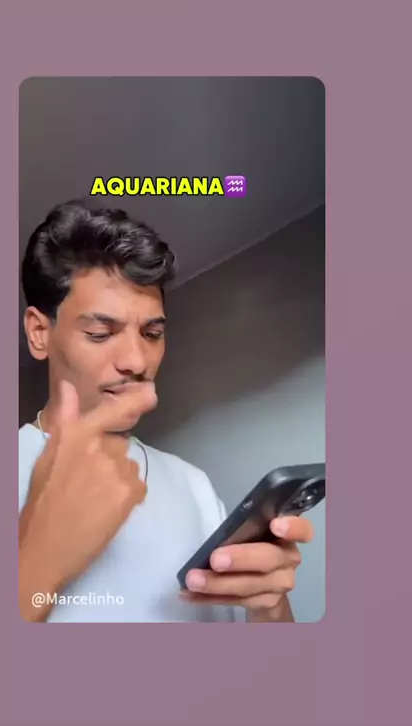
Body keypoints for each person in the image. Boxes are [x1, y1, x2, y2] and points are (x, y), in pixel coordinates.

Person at [19, 200, 313, 623]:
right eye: (101, 333)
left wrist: (269, 605)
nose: (137, 361)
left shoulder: (194, 485)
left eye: (152, 333)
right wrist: (39, 560)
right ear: (39, 333)